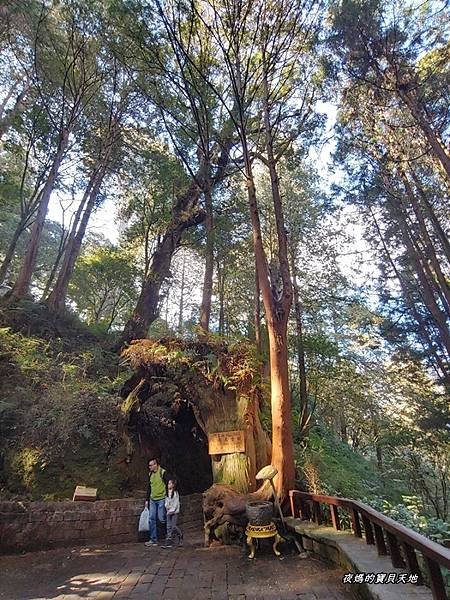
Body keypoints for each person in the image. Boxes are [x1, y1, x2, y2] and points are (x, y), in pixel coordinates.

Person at [144, 457, 170, 547]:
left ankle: (169, 533)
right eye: (149, 465)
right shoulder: (150, 474)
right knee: (151, 519)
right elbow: (149, 487)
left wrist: (168, 497)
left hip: (161, 498)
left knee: (161, 518)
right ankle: (153, 539)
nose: (149, 467)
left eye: (151, 465)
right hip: (152, 499)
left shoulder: (163, 472)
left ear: (156, 465)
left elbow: (169, 484)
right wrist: (146, 500)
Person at [162, 479, 183, 548]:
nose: (169, 485)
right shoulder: (167, 493)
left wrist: (172, 511)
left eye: (170, 484)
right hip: (168, 512)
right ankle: (168, 541)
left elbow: (176, 504)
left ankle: (180, 535)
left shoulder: (175, 493)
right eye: (168, 484)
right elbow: (166, 502)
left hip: (174, 512)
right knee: (168, 526)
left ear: (173, 485)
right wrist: (167, 508)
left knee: (173, 526)